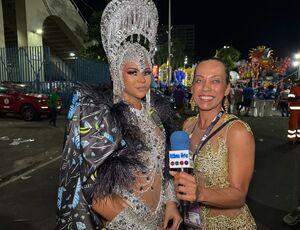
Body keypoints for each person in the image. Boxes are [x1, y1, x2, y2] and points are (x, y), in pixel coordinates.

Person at [55, 0, 182, 229]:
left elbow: (163, 168)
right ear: (116, 72)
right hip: (124, 221)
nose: (143, 79)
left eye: (146, 72)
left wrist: (171, 202)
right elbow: (94, 192)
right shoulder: (102, 118)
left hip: (160, 216)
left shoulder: (155, 115)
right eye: (133, 72)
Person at [170, 58, 256, 229]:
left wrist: (200, 193)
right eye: (199, 80)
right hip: (193, 224)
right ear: (192, 87)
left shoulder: (237, 131)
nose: (205, 88)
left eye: (215, 81)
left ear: (226, 89)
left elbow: (239, 195)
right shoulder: (188, 125)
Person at [287, 80, 300, 144]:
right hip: (295, 109)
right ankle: (291, 139)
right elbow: (290, 98)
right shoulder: (294, 88)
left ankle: (298, 139)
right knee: (292, 124)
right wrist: (298, 97)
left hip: (295, 109)